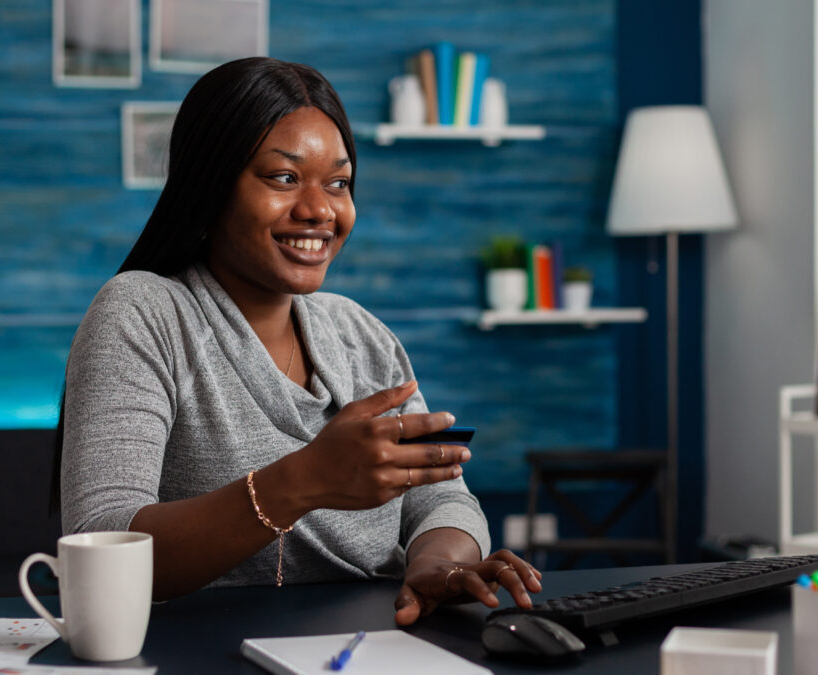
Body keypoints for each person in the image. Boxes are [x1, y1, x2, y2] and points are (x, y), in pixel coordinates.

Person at [58, 57, 542, 625]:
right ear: (211, 186)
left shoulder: (361, 335)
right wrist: (304, 480)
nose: (319, 211)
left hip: (373, 647)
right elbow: (102, 538)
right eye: (283, 178)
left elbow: (440, 496)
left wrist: (437, 564)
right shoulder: (144, 312)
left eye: (338, 183)